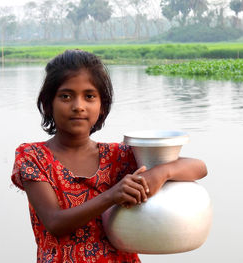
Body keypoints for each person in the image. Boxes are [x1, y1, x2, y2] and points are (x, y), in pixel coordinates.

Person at [11, 49, 207, 263]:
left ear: (102, 106)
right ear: (48, 104)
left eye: (89, 96)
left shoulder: (118, 156)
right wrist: (112, 195)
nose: (78, 106)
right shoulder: (33, 157)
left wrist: (161, 173)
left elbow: (199, 167)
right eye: (66, 96)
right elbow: (55, 223)